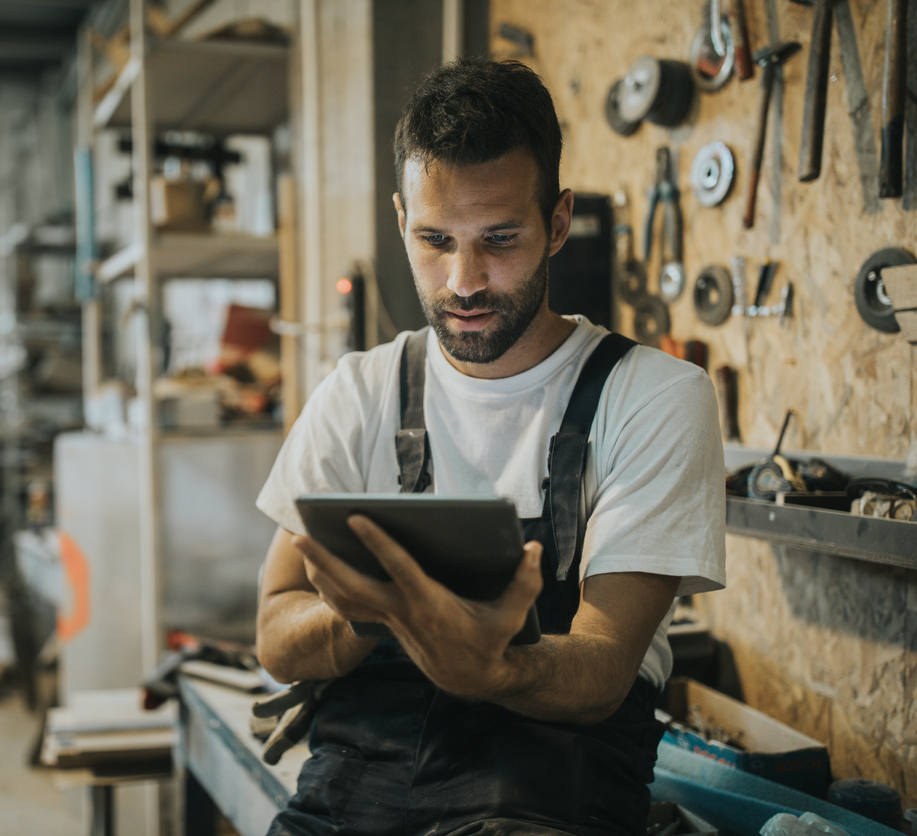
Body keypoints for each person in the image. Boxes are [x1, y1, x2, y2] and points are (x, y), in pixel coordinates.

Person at [254, 58, 726, 836]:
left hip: (550, 797)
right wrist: (371, 618)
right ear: (402, 218)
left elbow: (605, 670)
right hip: (351, 794)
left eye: (499, 238)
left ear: (560, 220)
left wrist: (497, 667)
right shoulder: (359, 391)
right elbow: (275, 632)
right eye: (435, 240)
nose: (464, 280)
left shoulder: (654, 397)